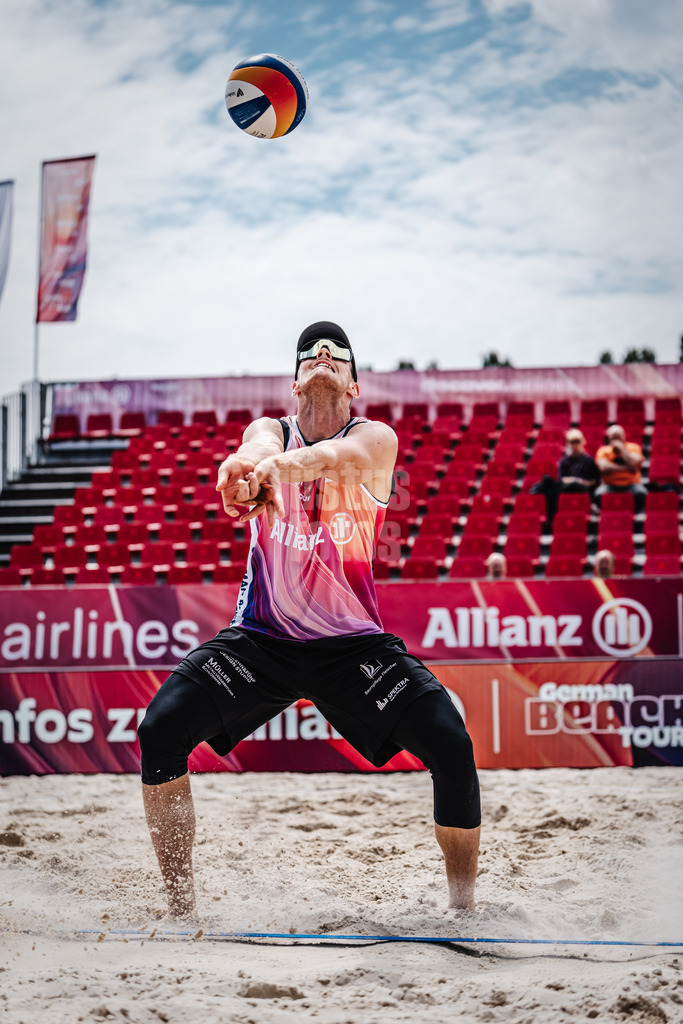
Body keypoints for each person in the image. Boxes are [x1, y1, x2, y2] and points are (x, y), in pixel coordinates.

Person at [138, 322, 481, 919]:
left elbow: (335, 459)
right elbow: (255, 450)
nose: (323, 354)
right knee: (159, 731)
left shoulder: (375, 438)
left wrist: (278, 470)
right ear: (295, 383)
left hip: (352, 647)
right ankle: (180, 910)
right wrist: (240, 470)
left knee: (452, 745)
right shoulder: (270, 431)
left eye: (337, 353)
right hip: (261, 639)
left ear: (353, 385)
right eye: (311, 354)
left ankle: (465, 910)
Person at [595, 424, 646, 512]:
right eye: (614, 437)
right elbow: (604, 468)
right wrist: (627, 468)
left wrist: (622, 450)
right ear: (609, 437)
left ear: (624, 436)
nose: (616, 439)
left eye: (618, 436)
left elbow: (634, 464)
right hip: (610, 485)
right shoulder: (603, 451)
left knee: (641, 493)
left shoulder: (634, 448)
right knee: (598, 495)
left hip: (631, 484)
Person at [558, 430, 600, 499]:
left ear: (582, 442)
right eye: (572, 442)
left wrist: (584, 483)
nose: (575, 445)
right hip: (568, 489)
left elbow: (595, 480)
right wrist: (577, 480)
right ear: (568, 443)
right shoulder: (564, 460)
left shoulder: (589, 460)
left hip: (586, 490)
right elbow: (561, 479)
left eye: (577, 441)